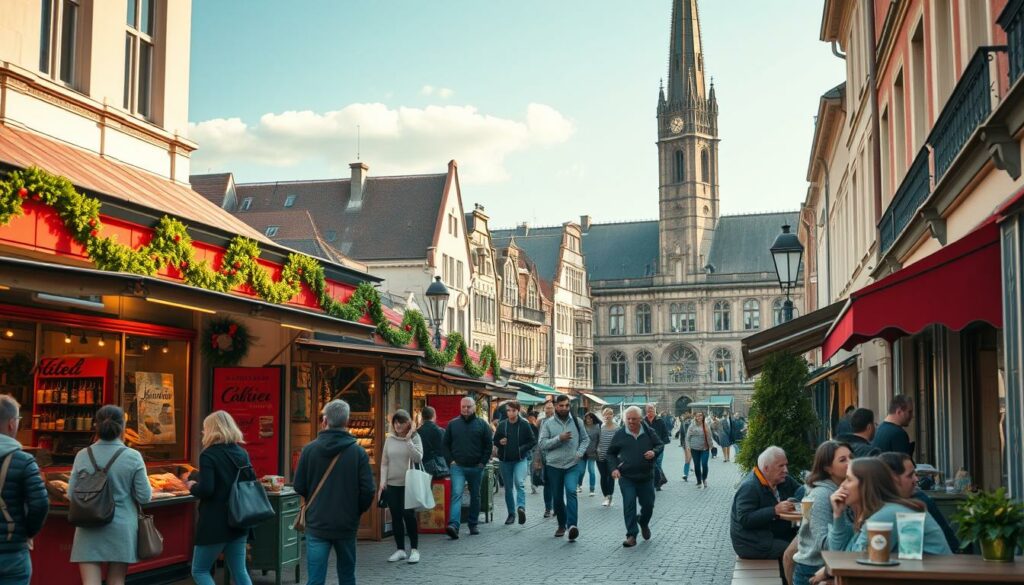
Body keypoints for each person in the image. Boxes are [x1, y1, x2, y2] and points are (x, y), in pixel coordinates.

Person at [293, 399, 375, 585]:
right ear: (347, 422)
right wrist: (356, 511)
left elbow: (299, 486)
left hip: (317, 522)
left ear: (324, 421)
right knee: (347, 576)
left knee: (315, 578)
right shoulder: (358, 453)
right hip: (346, 523)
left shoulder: (309, 450)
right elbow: (368, 490)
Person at [69, 405, 151, 585]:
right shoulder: (133, 456)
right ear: (122, 427)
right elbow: (145, 497)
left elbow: (70, 493)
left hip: (87, 525)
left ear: (96, 426)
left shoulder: (82, 455)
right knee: (116, 580)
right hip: (121, 526)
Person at [185, 411, 255, 585]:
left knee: (199, 570)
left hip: (214, 522)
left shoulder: (209, 454)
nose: (202, 432)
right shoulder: (241, 453)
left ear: (212, 430)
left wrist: (191, 485)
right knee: (239, 571)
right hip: (239, 519)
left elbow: (207, 489)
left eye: (204, 429)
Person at [826, 457, 951, 555]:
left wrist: (827, 572)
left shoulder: (888, 513)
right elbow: (841, 558)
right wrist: (838, 515)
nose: (842, 485)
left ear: (867, 485)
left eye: (848, 479)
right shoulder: (882, 510)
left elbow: (852, 563)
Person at [0, 395, 48, 585]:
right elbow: (40, 504)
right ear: (12, 424)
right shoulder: (24, 461)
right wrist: (27, 532)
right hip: (12, 553)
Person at [792, 441, 852, 585]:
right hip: (813, 571)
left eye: (851, 457)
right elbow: (824, 544)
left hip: (834, 568)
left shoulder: (845, 490)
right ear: (828, 468)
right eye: (843, 460)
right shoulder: (820, 495)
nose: (851, 463)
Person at [878, 451, 959, 552]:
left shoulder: (912, 506)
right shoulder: (906, 503)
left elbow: (911, 556)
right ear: (893, 478)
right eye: (910, 475)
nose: (916, 479)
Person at [730, 446, 800, 563]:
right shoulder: (749, 487)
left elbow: (800, 491)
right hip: (751, 542)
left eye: (786, 465)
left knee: (806, 543)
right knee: (795, 551)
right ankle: (793, 580)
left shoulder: (782, 479)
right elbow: (744, 519)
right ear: (766, 468)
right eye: (781, 466)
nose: (786, 470)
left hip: (771, 533)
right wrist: (774, 511)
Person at [606, 406, 664, 547]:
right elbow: (610, 453)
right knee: (629, 504)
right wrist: (614, 469)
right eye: (628, 419)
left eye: (634, 419)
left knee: (648, 505)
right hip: (627, 477)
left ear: (640, 419)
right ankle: (631, 535)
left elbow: (659, 444)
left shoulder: (649, 432)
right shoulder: (620, 434)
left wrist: (654, 452)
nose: (631, 421)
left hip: (646, 476)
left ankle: (643, 522)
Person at [537, 394, 589, 542]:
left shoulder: (577, 422)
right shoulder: (547, 424)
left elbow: (586, 439)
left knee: (572, 491)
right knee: (558, 497)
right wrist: (559, 438)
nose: (564, 408)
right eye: (561, 406)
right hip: (554, 465)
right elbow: (542, 444)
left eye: (567, 405)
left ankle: (572, 526)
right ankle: (561, 524)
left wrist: (579, 453)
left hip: (572, 464)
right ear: (555, 406)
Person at [442, 397, 492, 539]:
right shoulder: (453, 424)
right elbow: (445, 445)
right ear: (460, 407)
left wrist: (482, 463)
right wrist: (450, 460)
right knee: (456, 494)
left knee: (475, 496)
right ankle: (453, 525)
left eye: (468, 406)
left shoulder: (482, 424)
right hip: (457, 467)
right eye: (463, 406)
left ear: (474, 407)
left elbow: (488, 445)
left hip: (476, 467)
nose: (466, 409)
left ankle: (473, 524)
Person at [378, 409, 423, 563]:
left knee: (409, 516)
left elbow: (418, 458)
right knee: (396, 517)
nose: (398, 425)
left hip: (408, 484)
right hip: (392, 484)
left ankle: (415, 550)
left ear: (408, 423)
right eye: (395, 422)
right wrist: (382, 482)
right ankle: (400, 549)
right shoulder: (389, 440)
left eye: (401, 422)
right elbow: (384, 463)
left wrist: (409, 440)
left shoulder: (415, 438)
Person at [492, 401, 536, 525]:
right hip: (505, 460)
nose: (510, 413)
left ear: (518, 411)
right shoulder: (502, 425)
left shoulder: (524, 424)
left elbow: (532, 441)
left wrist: (521, 449)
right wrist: (500, 442)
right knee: (508, 488)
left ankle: (521, 507)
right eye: (508, 410)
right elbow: (494, 440)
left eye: (513, 410)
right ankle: (511, 514)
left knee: (519, 482)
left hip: (520, 459)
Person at [595, 407, 619, 507]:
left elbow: (619, 443)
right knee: (603, 477)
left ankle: (609, 496)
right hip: (600, 456)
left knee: (611, 476)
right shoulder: (600, 427)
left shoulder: (617, 428)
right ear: (603, 416)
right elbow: (595, 440)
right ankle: (605, 496)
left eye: (610, 414)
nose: (608, 416)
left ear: (613, 415)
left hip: (612, 458)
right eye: (606, 414)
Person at [643, 404, 670, 490]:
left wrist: (662, 443)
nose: (650, 411)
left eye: (651, 410)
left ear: (655, 410)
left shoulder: (660, 420)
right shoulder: (643, 421)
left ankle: (658, 483)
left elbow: (665, 433)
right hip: (647, 446)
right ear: (646, 411)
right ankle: (658, 480)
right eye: (648, 410)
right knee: (652, 464)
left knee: (657, 464)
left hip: (659, 446)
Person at [685, 411, 713, 488]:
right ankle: (699, 481)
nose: (699, 417)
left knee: (704, 464)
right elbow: (687, 437)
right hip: (694, 448)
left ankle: (704, 479)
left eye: (700, 416)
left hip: (705, 448)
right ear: (695, 417)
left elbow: (710, 437)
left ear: (703, 417)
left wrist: (711, 446)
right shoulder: (692, 426)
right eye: (697, 416)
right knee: (697, 465)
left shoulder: (706, 425)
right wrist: (687, 447)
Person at [418, 406, 447, 478]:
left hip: (422, 467)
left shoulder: (417, 432)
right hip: (439, 467)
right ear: (434, 416)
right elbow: (445, 450)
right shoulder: (441, 431)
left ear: (422, 417)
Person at [577, 412, 600, 497]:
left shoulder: (597, 427)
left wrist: (598, 448)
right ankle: (579, 485)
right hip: (582, 452)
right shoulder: (582, 426)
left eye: (590, 418)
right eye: (587, 418)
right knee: (581, 471)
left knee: (591, 470)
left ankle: (592, 489)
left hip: (592, 452)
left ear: (593, 419)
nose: (589, 420)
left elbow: (599, 439)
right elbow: (579, 438)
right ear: (585, 419)